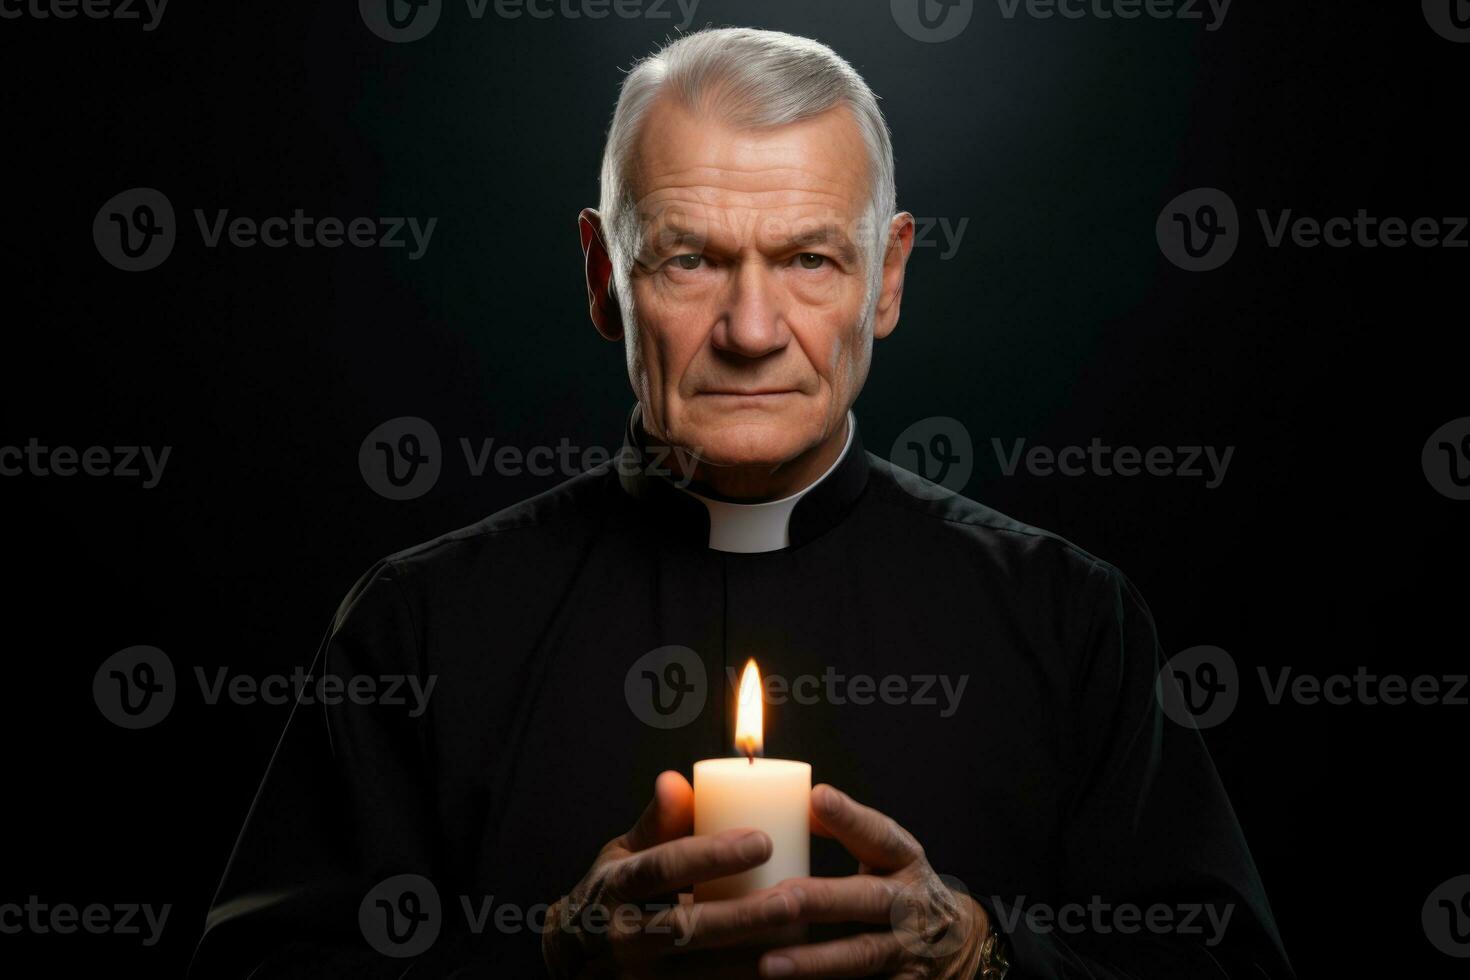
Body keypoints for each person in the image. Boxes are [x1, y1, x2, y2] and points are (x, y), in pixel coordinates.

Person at [191, 27, 1294, 979]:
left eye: (811, 258)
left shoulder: (1069, 619)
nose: (753, 329)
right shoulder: (419, 623)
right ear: (602, 275)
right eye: (689, 261)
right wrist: (547, 959)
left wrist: (979, 955)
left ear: (890, 274)